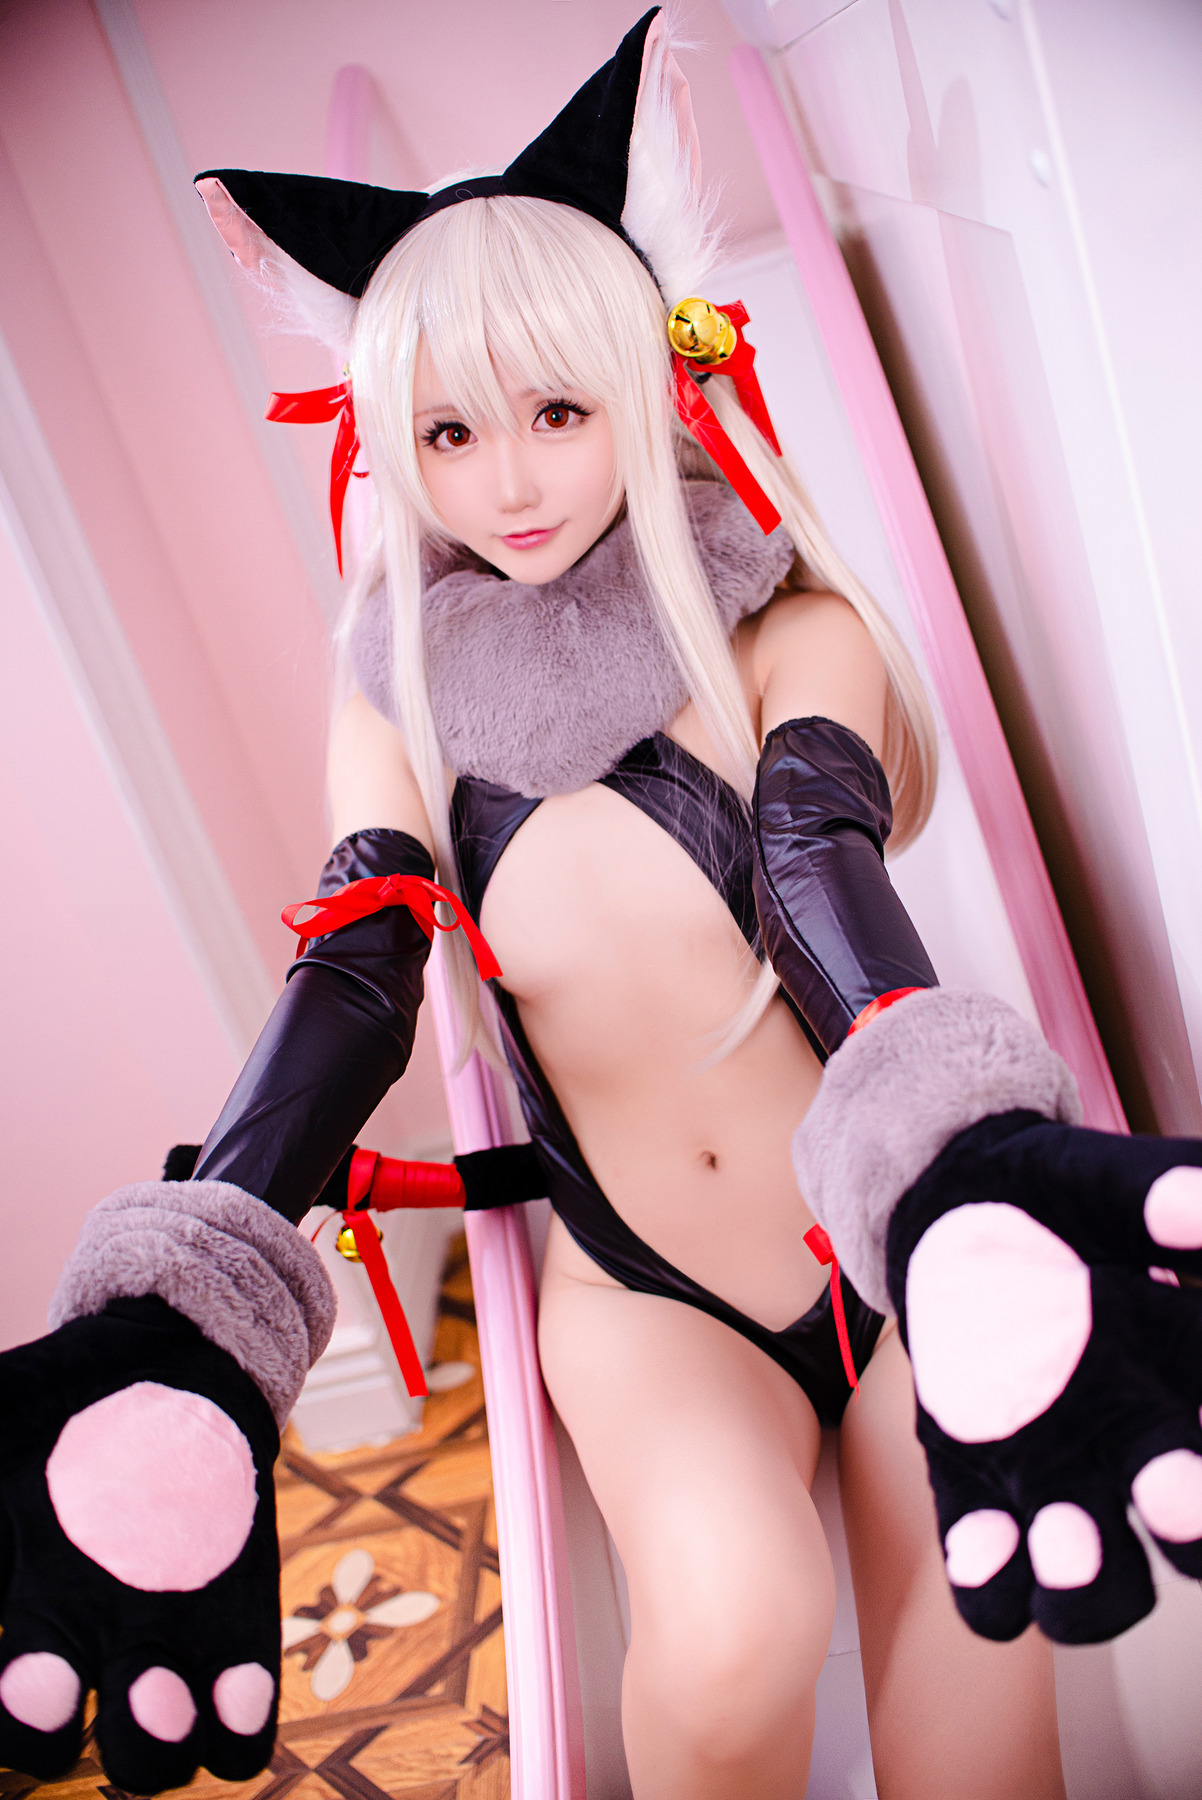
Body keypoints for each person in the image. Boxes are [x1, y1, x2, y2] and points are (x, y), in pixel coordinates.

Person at [4, 10, 1202, 1798]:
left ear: (640, 384)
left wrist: (956, 1163)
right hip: (645, 1287)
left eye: (559, 411)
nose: (508, 480)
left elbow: (813, 859)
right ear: (391, 443)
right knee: (729, 1632)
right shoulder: (395, 695)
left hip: (883, 1229)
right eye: (449, 430)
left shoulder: (786, 627)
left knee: (981, 1629)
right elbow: (355, 977)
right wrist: (193, 1282)